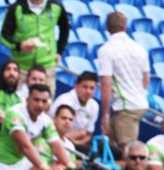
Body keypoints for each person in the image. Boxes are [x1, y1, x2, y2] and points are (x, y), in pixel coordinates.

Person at [0, 0, 70, 96]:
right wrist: (19, 46)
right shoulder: (17, 8)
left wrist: (60, 51)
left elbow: (65, 29)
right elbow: (4, 36)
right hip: (21, 67)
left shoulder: (56, 7)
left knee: (45, 105)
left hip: (46, 66)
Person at [97, 11, 150, 155]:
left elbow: (106, 84)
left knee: (129, 151)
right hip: (139, 103)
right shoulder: (139, 48)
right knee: (110, 138)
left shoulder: (106, 50)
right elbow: (146, 79)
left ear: (107, 28)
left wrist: (105, 114)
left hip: (126, 106)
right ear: (125, 27)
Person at [48, 71, 99, 155]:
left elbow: (88, 135)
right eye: (85, 87)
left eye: (92, 88)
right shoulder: (63, 101)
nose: (88, 91)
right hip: (57, 140)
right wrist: (79, 134)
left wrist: (76, 142)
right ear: (76, 86)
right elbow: (52, 129)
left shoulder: (95, 106)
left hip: (78, 144)